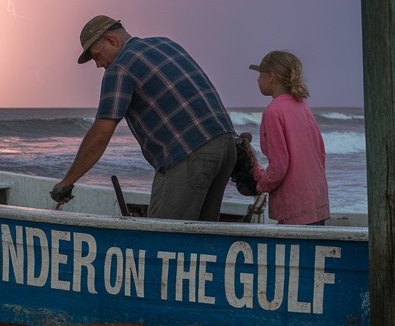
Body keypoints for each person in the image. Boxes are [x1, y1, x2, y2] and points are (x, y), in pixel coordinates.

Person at [51, 15, 236, 221]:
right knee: (202, 239)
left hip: (188, 152)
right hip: (226, 145)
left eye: (96, 55)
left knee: (163, 240)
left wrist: (66, 183)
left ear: (112, 40)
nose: (98, 64)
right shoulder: (166, 44)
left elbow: (100, 135)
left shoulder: (120, 67)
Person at [247, 51, 330, 225]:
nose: (257, 80)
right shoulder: (303, 107)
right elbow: (320, 153)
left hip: (294, 208)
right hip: (317, 202)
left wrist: (261, 185)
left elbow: (279, 166)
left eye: (260, 74)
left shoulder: (273, 112)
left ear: (271, 77)